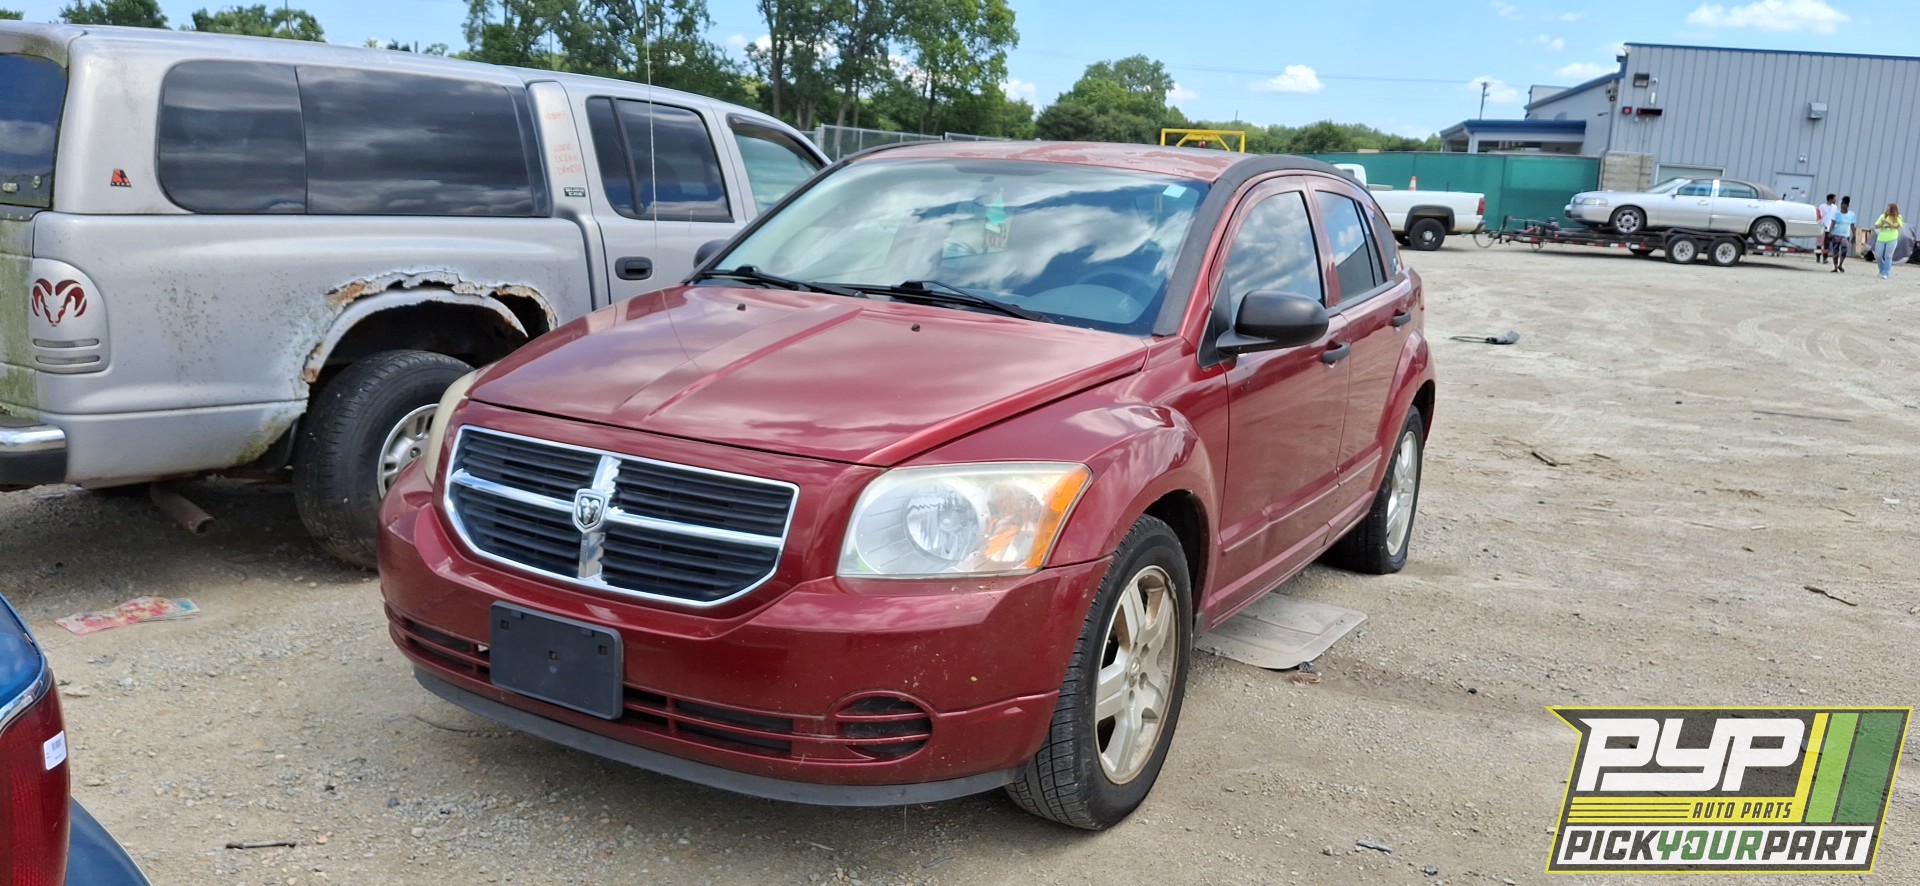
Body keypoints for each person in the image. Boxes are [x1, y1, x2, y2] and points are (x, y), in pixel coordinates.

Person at [1873, 202, 1903, 279]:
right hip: (1881, 238)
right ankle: (1882, 269)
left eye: (1888, 209)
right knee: (1878, 256)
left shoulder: (1897, 217)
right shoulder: (1883, 216)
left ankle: (1886, 272)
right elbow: (1876, 225)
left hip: (1892, 238)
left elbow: (1896, 226)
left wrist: (1887, 222)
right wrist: (1881, 224)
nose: (1887, 210)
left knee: (1888, 256)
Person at [1830, 197, 1855, 273]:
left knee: (1844, 251)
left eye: (1844, 206)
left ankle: (1840, 264)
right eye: (1841, 206)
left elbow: (1852, 225)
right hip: (1836, 235)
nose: (1842, 208)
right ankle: (1835, 266)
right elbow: (1832, 224)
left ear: (1847, 206)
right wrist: (1830, 232)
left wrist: (1854, 235)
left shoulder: (1851, 214)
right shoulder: (1836, 214)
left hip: (1845, 235)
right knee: (1835, 251)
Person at [1818, 193, 1838, 263]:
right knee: (1819, 243)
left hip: (1830, 228)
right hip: (1822, 227)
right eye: (1834, 198)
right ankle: (1818, 257)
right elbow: (1820, 216)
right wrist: (1821, 224)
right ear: (1830, 199)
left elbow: (1835, 217)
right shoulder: (1822, 206)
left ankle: (1825, 258)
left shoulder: (1835, 207)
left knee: (1827, 244)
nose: (1835, 200)